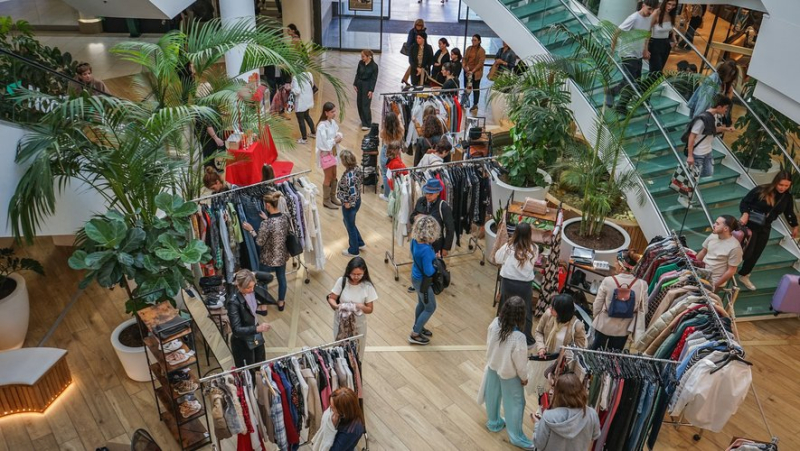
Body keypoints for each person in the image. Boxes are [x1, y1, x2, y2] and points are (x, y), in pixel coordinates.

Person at [478, 297, 533, 449]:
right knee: (516, 404)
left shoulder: (494, 323)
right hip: (510, 374)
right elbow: (521, 364)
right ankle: (516, 437)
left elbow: (489, 343)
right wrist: (524, 378)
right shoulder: (519, 338)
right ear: (521, 315)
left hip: (493, 366)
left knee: (492, 396)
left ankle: (494, 423)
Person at [738, 171, 798, 290]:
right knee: (744, 250)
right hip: (750, 224)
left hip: (765, 227)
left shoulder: (787, 197)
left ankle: (744, 274)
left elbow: (789, 212)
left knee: (756, 253)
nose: (783, 188)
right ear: (776, 182)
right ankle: (727, 269)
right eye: (781, 185)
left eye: (786, 186)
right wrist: (745, 214)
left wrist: (795, 226)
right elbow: (745, 202)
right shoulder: (761, 190)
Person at [605, 0, 658, 115]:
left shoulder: (649, 19)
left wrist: (645, 50)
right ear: (643, 5)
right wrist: (612, 52)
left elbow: (646, 34)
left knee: (635, 82)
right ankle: (619, 103)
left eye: (653, 10)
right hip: (628, 54)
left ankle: (614, 95)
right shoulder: (633, 18)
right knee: (630, 81)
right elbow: (616, 32)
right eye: (649, 9)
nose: (651, 12)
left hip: (638, 54)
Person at [242, 191, 290, 311]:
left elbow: (259, 242)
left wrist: (251, 229)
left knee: (263, 280)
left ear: (268, 205)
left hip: (268, 257)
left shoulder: (266, 223)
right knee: (281, 278)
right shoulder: (284, 217)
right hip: (282, 255)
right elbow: (278, 229)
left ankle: (263, 305)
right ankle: (281, 302)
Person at [590, 249, 648, 351]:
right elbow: (644, 309)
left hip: (604, 324)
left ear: (621, 265)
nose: (615, 263)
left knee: (595, 353)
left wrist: (596, 317)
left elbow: (597, 304)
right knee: (613, 358)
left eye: (616, 261)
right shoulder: (642, 285)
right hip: (623, 328)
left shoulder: (608, 281)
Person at [494, 223, 539, 347]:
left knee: (505, 307)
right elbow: (533, 263)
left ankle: (503, 334)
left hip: (508, 282)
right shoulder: (534, 248)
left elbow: (497, 258)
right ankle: (527, 339)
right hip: (525, 285)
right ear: (529, 234)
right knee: (526, 310)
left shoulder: (508, 247)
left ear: (516, 232)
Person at [533, 373, 601, 451]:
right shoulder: (592, 414)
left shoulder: (548, 416)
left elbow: (539, 444)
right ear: (581, 391)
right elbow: (594, 437)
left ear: (557, 393)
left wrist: (537, 424)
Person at [326, 257, 376, 357]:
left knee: (358, 349)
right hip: (340, 322)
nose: (356, 277)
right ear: (348, 271)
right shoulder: (342, 281)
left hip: (358, 324)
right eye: (353, 274)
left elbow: (370, 309)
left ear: (364, 272)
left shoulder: (367, 286)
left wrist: (360, 306)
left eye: (359, 274)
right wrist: (337, 306)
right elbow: (331, 298)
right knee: (339, 347)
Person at [227, 270, 272, 369]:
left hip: (255, 334)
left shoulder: (253, 290)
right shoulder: (233, 302)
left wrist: (251, 274)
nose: (252, 290)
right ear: (238, 286)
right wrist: (257, 329)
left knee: (260, 366)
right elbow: (236, 330)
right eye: (248, 288)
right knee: (248, 371)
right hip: (243, 342)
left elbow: (269, 277)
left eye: (253, 286)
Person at [409, 215, 440, 345]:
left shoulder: (414, 241)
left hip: (415, 277)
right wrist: (436, 264)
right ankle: (415, 333)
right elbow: (428, 271)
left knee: (422, 304)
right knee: (430, 307)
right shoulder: (426, 250)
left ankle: (419, 326)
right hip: (423, 281)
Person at [686, 94, 734, 178]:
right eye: (725, 107)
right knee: (693, 177)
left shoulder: (714, 116)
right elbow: (692, 136)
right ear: (719, 107)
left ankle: (690, 180)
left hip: (707, 151)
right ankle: (689, 184)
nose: (726, 110)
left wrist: (726, 129)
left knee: (708, 173)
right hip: (698, 153)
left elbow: (711, 130)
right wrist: (690, 156)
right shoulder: (702, 119)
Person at [696, 215, 743, 291]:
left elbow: (731, 270)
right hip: (701, 272)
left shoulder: (735, 248)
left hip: (712, 280)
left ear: (726, 228)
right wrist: (693, 264)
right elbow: (703, 251)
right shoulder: (713, 235)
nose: (714, 225)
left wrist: (715, 285)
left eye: (717, 224)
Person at [409, 178, 455, 257]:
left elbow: (450, 228)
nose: (428, 196)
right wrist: (416, 218)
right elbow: (411, 218)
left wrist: (446, 248)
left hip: (435, 246)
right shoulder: (420, 201)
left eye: (431, 193)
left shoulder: (443, 207)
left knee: (433, 267)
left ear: (438, 193)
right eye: (427, 193)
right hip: (419, 243)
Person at [534, 293, 587, 359]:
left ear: (562, 312)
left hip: (561, 365)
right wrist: (541, 348)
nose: (550, 309)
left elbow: (579, 351)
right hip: (544, 358)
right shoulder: (548, 315)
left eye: (554, 308)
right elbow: (539, 331)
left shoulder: (577, 327)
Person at [336, 150, 365, 257]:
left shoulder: (349, 177)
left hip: (350, 204)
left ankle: (354, 250)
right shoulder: (357, 169)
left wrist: (349, 203)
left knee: (350, 225)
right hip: (358, 200)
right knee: (349, 222)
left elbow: (352, 190)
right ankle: (360, 242)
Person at [316, 102, 344, 209]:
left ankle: (333, 196)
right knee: (328, 177)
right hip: (326, 155)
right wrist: (334, 140)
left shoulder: (332, 122)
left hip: (333, 153)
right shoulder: (321, 126)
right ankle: (326, 200)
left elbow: (337, 133)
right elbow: (322, 144)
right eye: (332, 112)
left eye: (335, 111)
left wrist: (338, 137)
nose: (334, 113)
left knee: (334, 175)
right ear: (326, 113)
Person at [647, 0, 678, 77]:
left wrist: (674, 40)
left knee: (660, 69)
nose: (671, 7)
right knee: (656, 71)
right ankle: (646, 87)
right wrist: (645, 48)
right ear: (665, 3)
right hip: (655, 43)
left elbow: (670, 30)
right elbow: (647, 30)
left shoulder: (671, 14)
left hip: (666, 44)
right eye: (669, 4)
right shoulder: (657, 13)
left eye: (673, 5)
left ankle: (649, 87)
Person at [379, 112, 405, 200]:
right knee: (394, 173)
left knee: (385, 174)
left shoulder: (383, 132)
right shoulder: (400, 131)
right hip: (396, 154)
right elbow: (401, 127)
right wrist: (399, 119)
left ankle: (387, 195)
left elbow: (381, 135)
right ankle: (394, 190)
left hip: (386, 153)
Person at [353, 49, 379, 131]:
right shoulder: (360, 63)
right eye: (361, 56)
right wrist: (355, 83)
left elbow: (373, 79)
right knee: (359, 103)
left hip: (367, 86)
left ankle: (367, 123)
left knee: (365, 104)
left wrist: (371, 90)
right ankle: (363, 120)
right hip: (360, 84)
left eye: (363, 56)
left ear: (369, 56)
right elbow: (357, 73)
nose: (362, 58)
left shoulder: (374, 66)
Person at [463, 34, 486, 111]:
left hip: (476, 73)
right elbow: (465, 58)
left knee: (475, 88)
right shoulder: (469, 48)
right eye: (472, 40)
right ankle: (464, 102)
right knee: (466, 87)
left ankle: (475, 104)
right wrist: (464, 66)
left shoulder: (482, 51)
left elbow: (480, 63)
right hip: (467, 71)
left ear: (479, 41)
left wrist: (472, 71)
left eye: (475, 40)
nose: (473, 41)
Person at [292, 71, 316, 144]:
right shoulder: (309, 74)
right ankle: (313, 132)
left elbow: (297, 91)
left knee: (301, 120)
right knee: (307, 116)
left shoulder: (296, 77)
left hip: (301, 102)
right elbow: (312, 85)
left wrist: (291, 88)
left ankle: (304, 139)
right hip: (308, 99)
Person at [401, 19, 426, 86]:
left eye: (420, 25)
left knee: (413, 65)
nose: (418, 27)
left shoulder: (423, 32)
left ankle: (405, 78)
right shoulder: (412, 32)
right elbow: (409, 42)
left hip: (420, 50)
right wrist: (412, 50)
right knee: (413, 64)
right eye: (417, 25)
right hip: (413, 51)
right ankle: (406, 78)